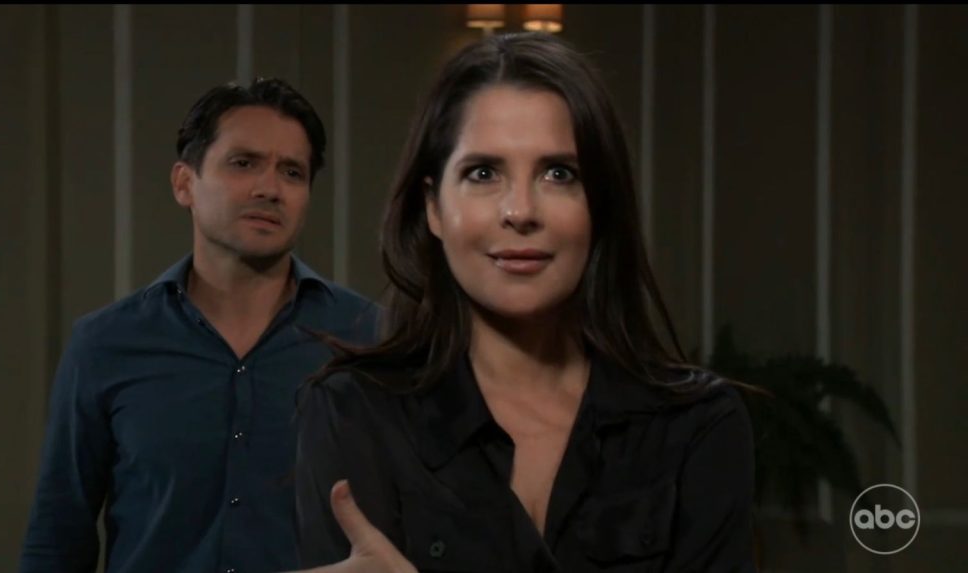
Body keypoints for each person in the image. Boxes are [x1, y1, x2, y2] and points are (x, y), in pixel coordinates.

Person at [294, 32, 755, 572]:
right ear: (433, 208)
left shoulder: (696, 425)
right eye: (483, 173)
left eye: (559, 174)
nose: (520, 211)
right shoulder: (352, 413)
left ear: (600, 205)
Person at [19, 78, 378, 573]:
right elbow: (58, 538)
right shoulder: (105, 344)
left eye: (292, 172)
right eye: (243, 163)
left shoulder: (365, 335)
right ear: (184, 184)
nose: (269, 189)